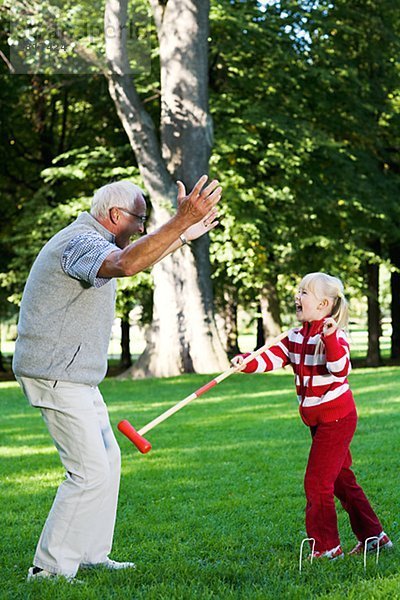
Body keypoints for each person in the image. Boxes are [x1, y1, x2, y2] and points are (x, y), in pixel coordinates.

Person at [13, 174, 221, 581]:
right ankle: (49, 569)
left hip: (76, 376)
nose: (142, 228)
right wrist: (178, 223)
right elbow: (127, 264)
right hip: (55, 374)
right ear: (113, 215)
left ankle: (91, 553)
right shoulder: (80, 242)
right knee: (88, 471)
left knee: (108, 462)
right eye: (138, 220)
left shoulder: (97, 240)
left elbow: (137, 256)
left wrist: (182, 233)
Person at [232, 272, 392, 560]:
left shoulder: (335, 336)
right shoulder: (294, 336)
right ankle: (374, 537)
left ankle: (327, 547)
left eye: (306, 292)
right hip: (318, 421)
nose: (298, 296)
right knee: (341, 479)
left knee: (317, 483)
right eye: (299, 291)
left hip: (337, 418)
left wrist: (329, 338)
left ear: (324, 305)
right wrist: (246, 361)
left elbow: (339, 368)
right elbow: (271, 358)